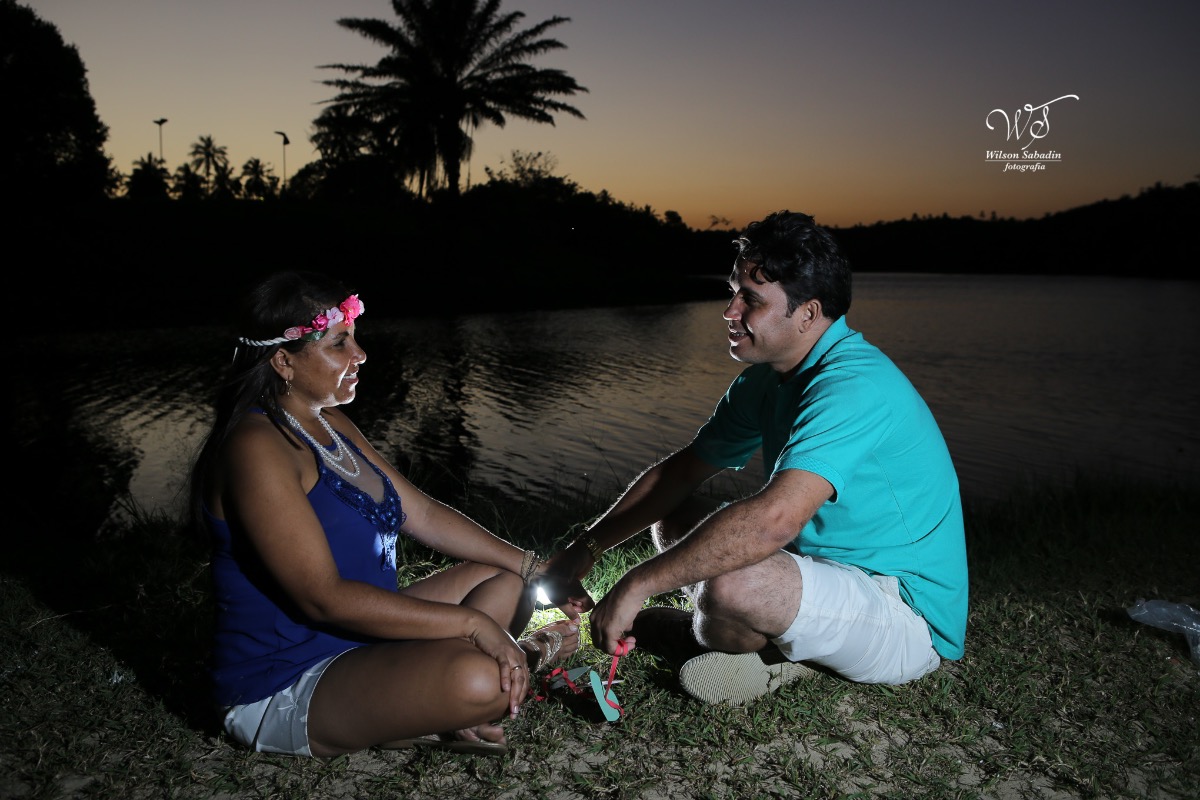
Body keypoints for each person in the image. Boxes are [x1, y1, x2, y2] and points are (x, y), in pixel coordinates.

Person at [553, 210, 968, 705]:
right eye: (734, 291)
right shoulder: (766, 379)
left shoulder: (853, 385)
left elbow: (774, 521)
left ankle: (776, 659)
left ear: (808, 314)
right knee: (676, 517)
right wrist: (579, 554)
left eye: (750, 299)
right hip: (819, 572)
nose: (730, 311)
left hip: (902, 614)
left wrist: (637, 584)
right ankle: (768, 641)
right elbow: (679, 474)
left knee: (730, 583)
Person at [189, 271, 592, 758]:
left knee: (505, 578)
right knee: (481, 678)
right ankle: (513, 664)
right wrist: (473, 625)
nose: (359, 355)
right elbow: (324, 600)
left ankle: (430, 705)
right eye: (339, 343)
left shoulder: (328, 420)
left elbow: (419, 511)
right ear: (283, 360)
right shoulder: (256, 447)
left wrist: (533, 566)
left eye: (355, 340)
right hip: (286, 677)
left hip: (361, 642)